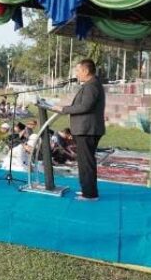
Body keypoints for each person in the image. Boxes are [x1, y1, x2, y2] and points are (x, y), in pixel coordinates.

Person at [52, 59, 105, 201]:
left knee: (86, 162)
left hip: (87, 130)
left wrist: (63, 109)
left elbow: (84, 107)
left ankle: (90, 194)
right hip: (86, 129)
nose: (76, 73)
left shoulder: (91, 86)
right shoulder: (91, 84)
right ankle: (86, 190)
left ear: (86, 71)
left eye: (78, 70)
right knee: (84, 161)